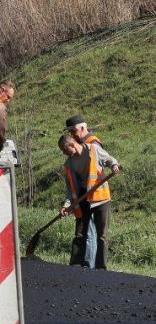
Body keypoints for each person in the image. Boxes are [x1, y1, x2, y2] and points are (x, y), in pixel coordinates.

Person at [57, 134, 120, 269]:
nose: (64, 153)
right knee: (80, 233)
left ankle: (101, 267)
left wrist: (114, 165)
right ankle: (75, 264)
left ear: (72, 145)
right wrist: (66, 207)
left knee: (102, 234)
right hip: (82, 199)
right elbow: (70, 190)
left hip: (100, 197)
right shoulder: (69, 164)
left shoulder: (93, 150)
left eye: (65, 150)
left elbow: (109, 159)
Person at [65, 114, 103, 268]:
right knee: (82, 229)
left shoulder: (93, 144)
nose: (72, 135)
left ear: (81, 128)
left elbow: (97, 167)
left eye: (73, 131)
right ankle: (79, 263)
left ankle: (88, 265)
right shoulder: (79, 145)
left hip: (93, 194)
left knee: (90, 230)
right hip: (82, 193)